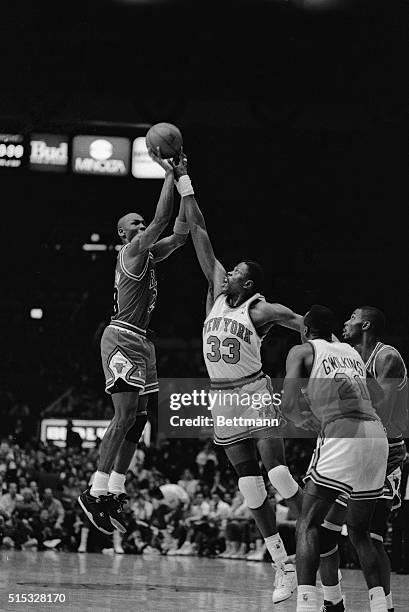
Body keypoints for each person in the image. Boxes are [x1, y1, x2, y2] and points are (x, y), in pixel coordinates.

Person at [175, 153, 305, 603]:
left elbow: (300, 322)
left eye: (237, 274)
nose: (228, 273)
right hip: (221, 399)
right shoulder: (215, 291)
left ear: (248, 284)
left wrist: (326, 353)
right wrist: (182, 178)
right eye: (230, 271)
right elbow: (200, 232)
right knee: (249, 486)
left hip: (253, 391)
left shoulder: (258, 308)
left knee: (281, 475)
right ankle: (282, 565)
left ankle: (318, 528)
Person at [79, 148, 189, 535]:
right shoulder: (131, 251)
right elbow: (162, 220)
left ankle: (114, 489)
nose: (142, 227)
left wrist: (186, 184)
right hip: (121, 338)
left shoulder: (149, 256)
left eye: (142, 224)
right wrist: (169, 176)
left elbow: (178, 234)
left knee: (139, 419)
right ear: (123, 234)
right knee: (123, 415)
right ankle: (94, 491)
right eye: (135, 224)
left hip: (143, 342)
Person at [282, 305, 389, 612]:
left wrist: (304, 419)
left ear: (305, 329)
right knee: (359, 532)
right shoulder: (352, 353)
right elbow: (377, 397)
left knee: (308, 522)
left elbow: (289, 405)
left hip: (342, 432)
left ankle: (305, 603)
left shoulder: (301, 351)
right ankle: (379, 606)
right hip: (375, 434)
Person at [320, 307, 408, 612]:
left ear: (366, 324)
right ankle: (333, 602)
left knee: (369, 535)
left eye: (352, 317)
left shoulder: (387, 357)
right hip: (357, 446)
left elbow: (379, 406)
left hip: (386, 451)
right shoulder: (352, 356)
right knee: (324, 530)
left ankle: (385, 606)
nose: (346, 321)